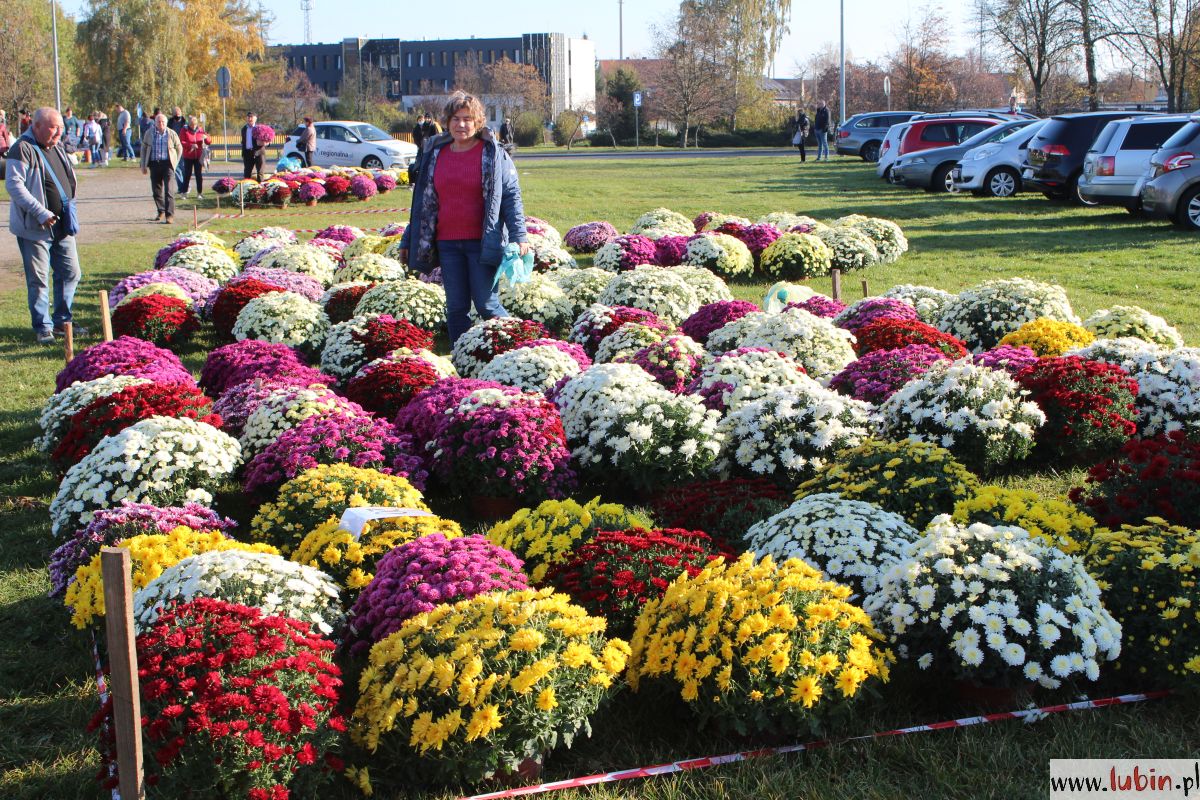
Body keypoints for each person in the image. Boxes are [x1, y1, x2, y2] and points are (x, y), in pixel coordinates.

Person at [397, 91, 529, 345]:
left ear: (478, 122)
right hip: (447, 244)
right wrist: (408, 238)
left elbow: (511, 196)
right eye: (456, 118)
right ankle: (462, 356)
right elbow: (423, 204)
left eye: (468, 119)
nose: (461, 124)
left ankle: (518, 346)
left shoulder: (492, 153)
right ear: (447, 122)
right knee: (456, 308)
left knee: (486, 303)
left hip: (482, 242)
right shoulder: (435, 153)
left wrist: (519, 235)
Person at [6, 107, 83, 345]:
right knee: (39, 280)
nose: (59, 132)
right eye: (53, 127)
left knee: (71, 272)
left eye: (60, 127)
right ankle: (43, 327)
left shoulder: (56, 146)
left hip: (63, 225)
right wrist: (40, 212)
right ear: (36, 125)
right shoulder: (22, 148)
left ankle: (62, 321)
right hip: (35, 228)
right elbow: (14, 185)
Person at [140, 113, 183, 224]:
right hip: (154, 164)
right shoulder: (149, 133)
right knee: (156, 191)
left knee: (169, 191)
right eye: (158, 122)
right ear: (155, 123)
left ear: (166, 123)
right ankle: (161, 210)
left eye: (163, 122)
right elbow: (143, 148)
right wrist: (143, 165)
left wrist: (175, 162)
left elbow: (179, 148)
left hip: (168, 165)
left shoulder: (171, 133)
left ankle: (170, 216)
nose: (161, 124)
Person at [179, 115, 210, 198]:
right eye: (192, 125)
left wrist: (206, 138)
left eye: (195, 125)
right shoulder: (184, 130)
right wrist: (191, 145)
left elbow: (208, 142)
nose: (193, 126)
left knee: (199, 175)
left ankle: (199, 193)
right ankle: (184, 193)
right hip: (188, 156)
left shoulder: (200, 130)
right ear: (189, 124)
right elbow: (182, 142)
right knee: (187, 175)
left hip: (198, 156)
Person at [240, 112, 266, 182]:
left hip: (259, 152)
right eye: (248, 117)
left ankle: (260, 187)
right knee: (247, 173)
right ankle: (247, 187)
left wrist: (266, 143)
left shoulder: (259, 128)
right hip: (247, 153)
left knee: (260, 173)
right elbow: (243, 141)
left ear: (255, 119)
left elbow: (267, 139)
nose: (250, 119)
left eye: (251, 117)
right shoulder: (244, 129)